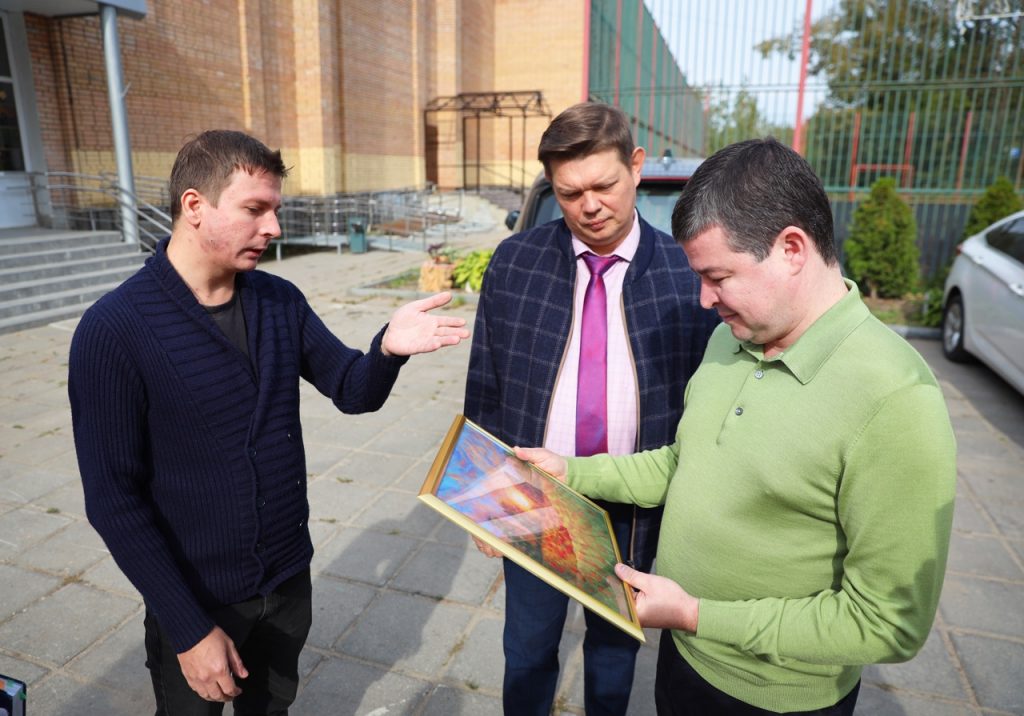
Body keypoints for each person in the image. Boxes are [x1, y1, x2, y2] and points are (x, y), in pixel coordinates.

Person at [515, 137, 958, 715]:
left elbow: (888, 622)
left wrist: (696, 614)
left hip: (773, 698)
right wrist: (570, 471)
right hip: (684, 660)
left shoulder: (896, 400)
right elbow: (684, 462)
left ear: (791, 249)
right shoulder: (732, 338)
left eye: (718, 277)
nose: (704, 300)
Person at [68, 130, 469, 715]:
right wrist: (188, 629)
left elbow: (352, 390)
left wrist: (387, 349)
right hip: (198, 600)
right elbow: (112, 501)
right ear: (194, 205)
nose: (274, 227)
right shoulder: (114, 330)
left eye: (275, 209)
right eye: (255, 209)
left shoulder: (279, 302)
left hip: (286, 583)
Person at [464, 102, 718, 715]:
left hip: (636, 503)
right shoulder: (516, 262)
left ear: (636, 167)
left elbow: (705, 404)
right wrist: (479, 499)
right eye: (569, 193)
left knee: (614, 650)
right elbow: (486, 386)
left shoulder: (686, 274)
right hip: (536, 497)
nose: (590, 206)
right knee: (527, 650)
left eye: (604, 185)